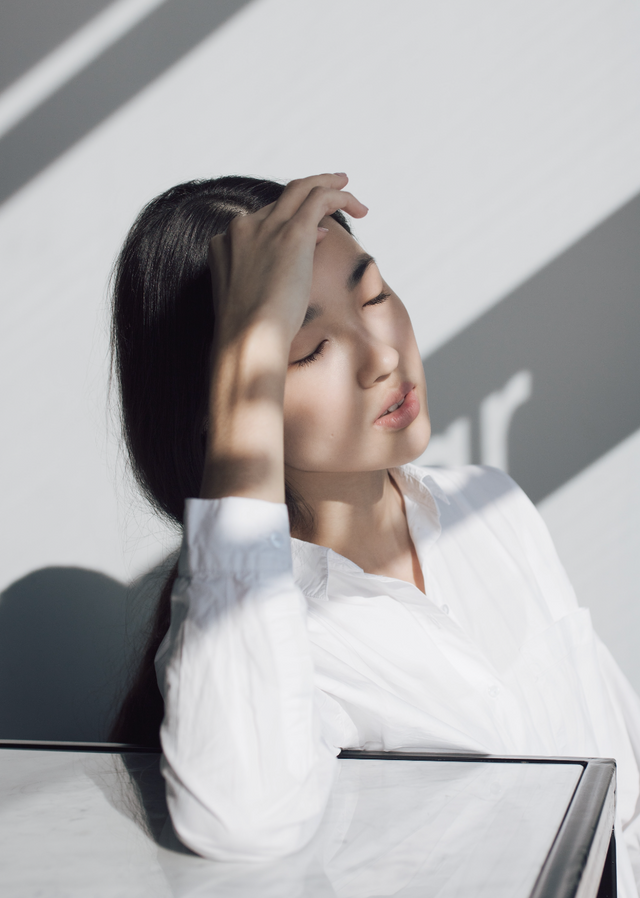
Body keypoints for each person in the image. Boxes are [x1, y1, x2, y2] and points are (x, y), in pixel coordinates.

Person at [110, 173, 640, 893]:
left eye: (376, 295)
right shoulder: (275, 635)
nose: (382, 356)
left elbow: (622, 794)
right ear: (229, 403)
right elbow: (242, 819)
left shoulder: (492, 508)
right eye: (306, 349)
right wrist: (246, 362)